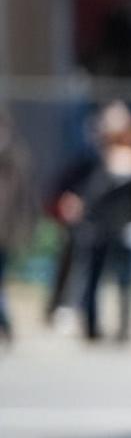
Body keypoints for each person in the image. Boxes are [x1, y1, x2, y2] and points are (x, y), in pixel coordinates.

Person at [72, 102, 131, 341]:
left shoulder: (107, 164)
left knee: (113, 280)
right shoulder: (107, 164)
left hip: (113, 231)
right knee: (119, 281)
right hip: (113, 231)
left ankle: (106, 327)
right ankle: (112, 328)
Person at [0, 110, 36, 344]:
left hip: (5, 233)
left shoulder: (15, 159)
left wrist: (25, 231)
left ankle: (5, 324)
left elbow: (25, 202)